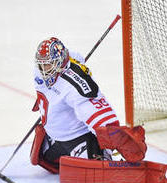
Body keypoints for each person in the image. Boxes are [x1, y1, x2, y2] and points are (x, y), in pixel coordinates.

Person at [30, 37, 147, 173]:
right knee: (46, 160)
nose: (44, 69)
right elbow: (72, 58)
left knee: (97, 173)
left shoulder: (74, 86)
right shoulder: (39, 72)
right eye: (42, 64)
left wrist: (117, 138)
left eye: (48, 64)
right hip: (55, 139)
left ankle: (101, 152)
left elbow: (97, 113)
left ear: (60, 61)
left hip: (79, 137)